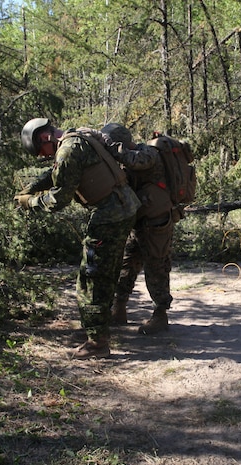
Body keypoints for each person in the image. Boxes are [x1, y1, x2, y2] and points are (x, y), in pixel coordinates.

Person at [15, 118, 140, 359]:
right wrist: (31, 186)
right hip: (124, 209)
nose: (44, 156)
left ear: (44, 138)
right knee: (106, 272)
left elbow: (59, 198)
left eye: (42, 152)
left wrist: (29, 202)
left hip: (108, 218)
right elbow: (56, 173)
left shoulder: (68, 150)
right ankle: (104, 326)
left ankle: (97, 343)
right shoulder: (79, 136)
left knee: (90, 279)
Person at [101, 123, 175, 335]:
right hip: (140, 221)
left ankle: (161, 315)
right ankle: (119, 308)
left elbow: (135, 161)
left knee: (156, 266)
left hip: (157, 221)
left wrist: (110, 146)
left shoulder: (147, 153)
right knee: (127, 264)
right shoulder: (125, 157)